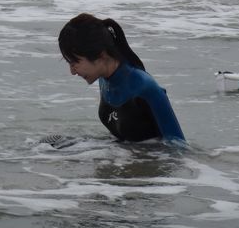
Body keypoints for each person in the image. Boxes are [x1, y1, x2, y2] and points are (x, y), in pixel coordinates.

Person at [58, 13, 185, 143]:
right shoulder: (105, 80)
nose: (72, 72)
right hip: (122, 155)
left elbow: (178, 146)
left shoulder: (144, 87)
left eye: (74, 63)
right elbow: (123, 139)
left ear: (101, 56)